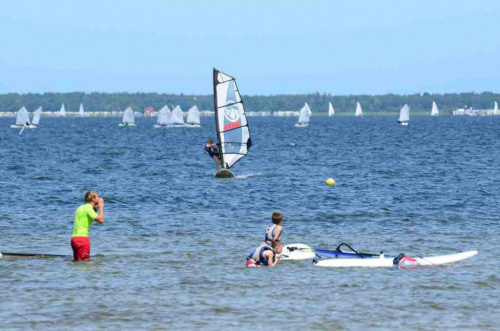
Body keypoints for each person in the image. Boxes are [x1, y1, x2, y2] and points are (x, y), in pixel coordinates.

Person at [70, 191, 104, 261]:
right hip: (82, 239)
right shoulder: (88, 209)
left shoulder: (81, 207)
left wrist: (95, 207)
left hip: (74, 239)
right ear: (94, 199)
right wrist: (101, 207)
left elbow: (90, 215)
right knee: (86, 263)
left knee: (77, 263)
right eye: (98, 196)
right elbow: (100, 220)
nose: (99, 198)